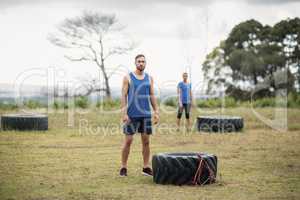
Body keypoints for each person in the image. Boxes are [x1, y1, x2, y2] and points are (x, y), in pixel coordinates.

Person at [120, 54, 159, 177]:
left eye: (143, 61)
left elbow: (152, 95)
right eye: (139, 61)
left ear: (145, 63)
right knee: (128, 141)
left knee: (146, 142)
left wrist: (156, 111)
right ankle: (123, 167)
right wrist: (124, 113)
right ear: (135, 63)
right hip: (132, 114)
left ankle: (146, 167)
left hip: (146, 115)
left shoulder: (149, 78)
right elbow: (123, 96)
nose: (141, 63)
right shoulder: (128, 77)